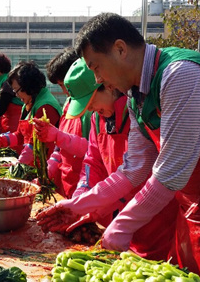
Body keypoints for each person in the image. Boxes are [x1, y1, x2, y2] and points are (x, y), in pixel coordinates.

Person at [36, 13, 200, 281]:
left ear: (120, 49)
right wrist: (79, 205)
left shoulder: (181, 74)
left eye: (96, 67)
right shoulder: (136, 98)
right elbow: (134, 170)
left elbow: (170, 173)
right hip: (192, 212)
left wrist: (122, 225)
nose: (96, 78)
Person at [62, 64, 176, 261]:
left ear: (107, 85)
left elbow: (146, 170)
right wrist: (81, 196)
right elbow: (92, 162)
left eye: (91, 103)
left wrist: (102, 206)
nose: (90, 110)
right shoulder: (98, 120)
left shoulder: (138, 114)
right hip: (120, 218)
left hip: (157, 216)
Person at [32, 53, 93, 198]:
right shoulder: (68, 104)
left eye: (63, 85)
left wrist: (57, 136)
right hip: (67, 182)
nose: (64, 91)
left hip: (86, 186)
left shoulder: (92, 109)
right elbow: (59, 148)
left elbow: (93, 151)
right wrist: (48, 171)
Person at [0, 61, 62, 165]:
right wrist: (0, 140)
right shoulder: (29, 102)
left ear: (28, 86)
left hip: (47, 166)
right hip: (34, 163)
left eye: (17, 90)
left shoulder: (46, 106)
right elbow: (20, 135)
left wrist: (18, 165)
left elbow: (34, 143)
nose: (16, 95)